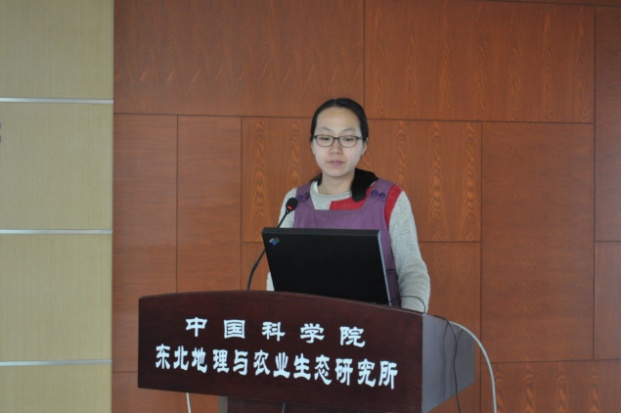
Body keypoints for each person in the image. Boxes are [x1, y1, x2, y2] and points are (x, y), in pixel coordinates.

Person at [267, 97, 430, 312]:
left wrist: (410, 322)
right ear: (312, 144)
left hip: (380, 326)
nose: (335, 148)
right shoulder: (295, 201)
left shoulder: (389, 198)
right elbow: (279, 273)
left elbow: (412, 272)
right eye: (325, 138)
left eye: (347, 138)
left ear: (364, 145)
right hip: (310, 326)